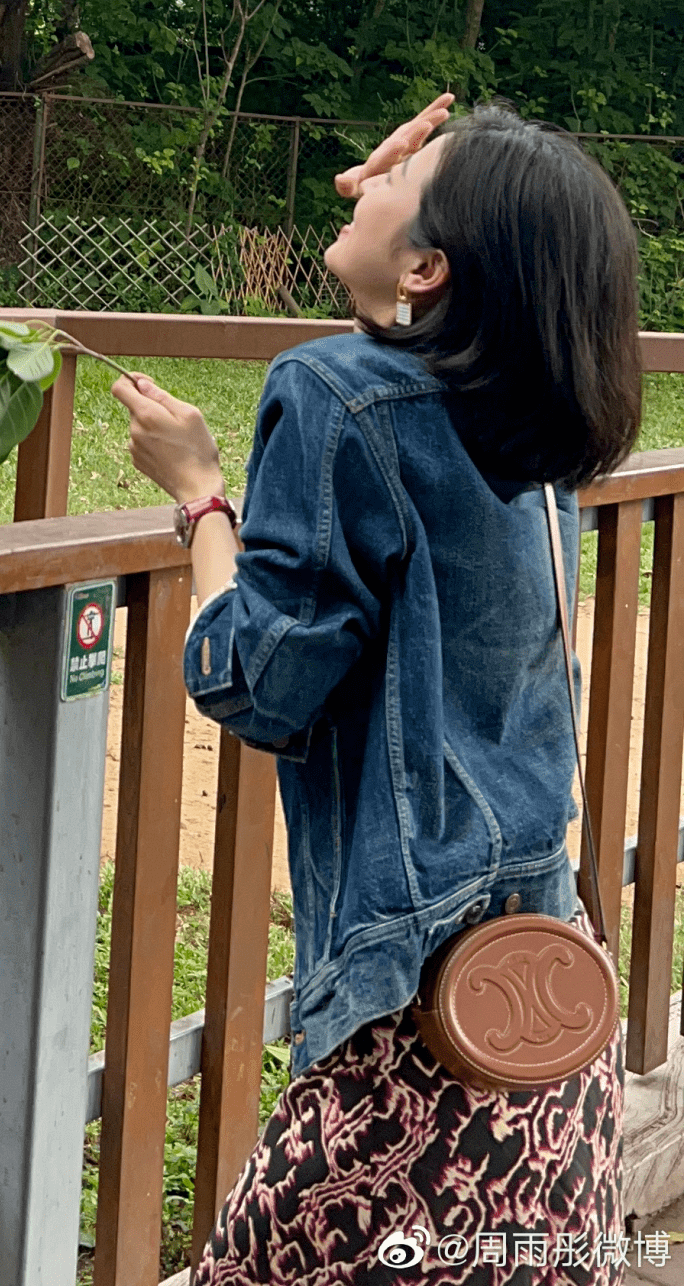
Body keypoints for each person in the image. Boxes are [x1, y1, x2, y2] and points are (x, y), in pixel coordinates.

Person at [111, 96, 641, 1285]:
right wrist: (391, 230)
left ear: (432, 265)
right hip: (539, 990)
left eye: (404, 175)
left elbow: (255, 680)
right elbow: (399, 389)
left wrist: (202, 498)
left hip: (414, 1028)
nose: (370, 175)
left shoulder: (334, 394)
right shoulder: (526, 418)